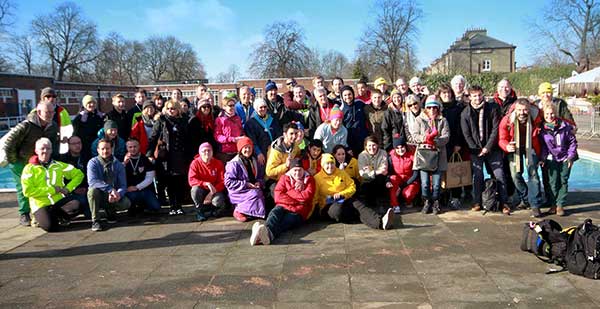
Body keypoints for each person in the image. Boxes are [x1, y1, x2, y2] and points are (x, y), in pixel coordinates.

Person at [4, 101, 58, 226]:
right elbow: (9, 144)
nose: (50, 114)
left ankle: (39, 212)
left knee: (41, 186)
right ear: (39, 112)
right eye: (47, 112)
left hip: (38, 162)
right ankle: (24, 214)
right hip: (20, 161)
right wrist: (14, 161)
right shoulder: (25, 126)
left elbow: (53, 144)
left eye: (52, 112)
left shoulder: (53, 126)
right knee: (23, 188)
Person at [461, 85, 510, 215]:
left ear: (483, 95)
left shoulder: (492, 109)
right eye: (475, 96)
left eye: (479, 95)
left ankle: (504, 202)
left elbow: (495, 129)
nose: (477, 98)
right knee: (477, 176)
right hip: (475, 150)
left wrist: (487, 147)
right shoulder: (465, 113)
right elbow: (466, 134)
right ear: (470, 97)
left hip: (492, 149)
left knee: (499, 174)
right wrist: (477, 149)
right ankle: (477, 201)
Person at [314, 154, 397, 230]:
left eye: (332, 163)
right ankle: (362, 216)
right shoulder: (317, 178)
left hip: (344, 199)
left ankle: (381, 222)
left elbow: (352, 186)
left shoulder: (341, 173)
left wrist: (342, 194)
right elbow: (314, 197)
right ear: (322, 165)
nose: (330, 166)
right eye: (327, 164)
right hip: (328, 205)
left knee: (358, 204)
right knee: (337, 212)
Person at [21, 137, 83, 232]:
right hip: (40, 204)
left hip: (58, 201)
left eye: (48, 148)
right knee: (51, 227)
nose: (45, 151)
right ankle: (44, 218)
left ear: (51, 150)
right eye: (42, 148)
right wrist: (52, 190)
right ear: (36, 151)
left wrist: (68, 188)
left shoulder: (59, 165)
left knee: (80, 204)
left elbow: (79, 174)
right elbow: (27, 191)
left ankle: (57, 217)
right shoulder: (29, 169)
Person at [250, 158, 316, 246]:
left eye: (300, 170)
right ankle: (264, 233)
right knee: (274, 213)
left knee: (286, 222)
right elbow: (277, 196)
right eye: (295, 170)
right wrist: (296, 199)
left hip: (299, 211)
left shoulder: (309, 180)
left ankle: (264, 234)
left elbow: (306, 197)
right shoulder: (284, 178)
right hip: (283, 206)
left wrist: (289, 192)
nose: (297, 173)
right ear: (290, 170)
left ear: (303, 170)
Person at [498, 99, 544, 217]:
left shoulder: (537, 117)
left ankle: (535, 205)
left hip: (532, 147)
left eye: (525, 110)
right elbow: (502, 138)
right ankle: (526, 198)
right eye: (519, 110)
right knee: (515, 175)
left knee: (533, 175)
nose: (522, 112)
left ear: (529, 109)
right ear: (515, 109)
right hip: (515, 147)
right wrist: (507, 146)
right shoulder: (507, 120)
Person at [147, 100, 189, 216]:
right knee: (169, 182)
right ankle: (172, 206)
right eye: (169, 108)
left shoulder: (183, 121)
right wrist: (149, 154)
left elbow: (187, 139)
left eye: (173, 109)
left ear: (177, 110)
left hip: (179, 155)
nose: (171, 111)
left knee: (179, 182)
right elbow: (153, 138)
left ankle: (179, 205)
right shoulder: (161, 121)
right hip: (166, 155)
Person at [539, 103, 578, 217]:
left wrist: (570, 157)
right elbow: (543, 146)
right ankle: (553, 204)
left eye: (552, 113)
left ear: (555, 114)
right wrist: (543, 158)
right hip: (551, 159)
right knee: (552, 182)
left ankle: (560, 204)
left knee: (563, 180)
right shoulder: (542, 129)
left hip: (565, 158)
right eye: (547, 114)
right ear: (543, 115)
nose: (550, 116)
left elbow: (572, 142)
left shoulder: (564, 126)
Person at [412, 96, 449, 215]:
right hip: (423, 156)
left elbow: (446, 136)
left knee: (437, 184)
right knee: (425, 183)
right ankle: (426, 202)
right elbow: (415, 135)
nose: (432, 109)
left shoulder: (443, 120)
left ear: (438, 108)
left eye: (434, 107)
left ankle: (436, 202)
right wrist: (425, 138)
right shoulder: (419, 120)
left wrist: (435, 141)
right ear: (425, 108)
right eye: (429, 107)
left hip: (438, 155)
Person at [87, 138, 131, 231]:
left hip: (112, 195)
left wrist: (118, 194)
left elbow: (123, 185)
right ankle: (96, 221)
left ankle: (110, 212)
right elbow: (92, 181)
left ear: (112, 149)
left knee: (126, 203)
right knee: (92, 191)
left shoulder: (118, 164)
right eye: (102, 149)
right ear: (98, 150)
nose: (105, 151)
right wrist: (110, 189)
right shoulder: (92, 163)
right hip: (99, 194)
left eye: (107, 148)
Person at [438, 84, 466, 209]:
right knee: (441, 171)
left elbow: (460, 128)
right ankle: (443, 195)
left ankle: (456, 196)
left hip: (454, 143)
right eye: (444, 93)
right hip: (441, 144)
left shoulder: (458, 108)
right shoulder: (437, 108)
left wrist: (458, 143)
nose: (447, 95)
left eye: (449, 93)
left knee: (455, 169)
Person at [224, 137, 266, 222]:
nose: (247, 150)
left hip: (251, 187)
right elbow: (228, 182)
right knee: (255, 194)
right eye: (245, 147)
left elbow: (260, 176)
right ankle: (238, 210)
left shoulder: (254, 160)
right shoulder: (234, 163)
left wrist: (259, 182)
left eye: (249, 147)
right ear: (240, 149)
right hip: (238, 191)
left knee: (261, 193)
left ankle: (250, 212)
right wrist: (245, 184)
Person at [188, 143, 228, 221]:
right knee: (194, 190)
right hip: (202, 189)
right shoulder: (195, 163)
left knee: (218, 201)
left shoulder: (218, 163)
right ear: (200, 153)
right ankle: (199, 211)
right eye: (204, 151)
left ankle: (214, 210)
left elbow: (223, 181)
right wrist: (205, 183)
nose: (207, 153)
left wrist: (211, 192)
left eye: (209, 150)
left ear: (212, 152)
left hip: (215, 190)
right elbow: (192, 180)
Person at [123, 138, 161, 216]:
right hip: (129, 190)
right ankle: (132, 207)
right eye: (130, 147)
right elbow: (117, 175)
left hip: (144, 189)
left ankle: (143, 207)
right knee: (132, 196)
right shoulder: (122, 160)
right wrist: (123, 164)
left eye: (135, 146)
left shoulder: (145, 159)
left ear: (139, 146)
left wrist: (137, 187)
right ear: (127, 148)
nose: (133, 149)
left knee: (156, 207)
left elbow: (150, 178)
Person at [59, 136, 91, 219]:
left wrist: (86, 188)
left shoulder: (87, 157)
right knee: (81, 202)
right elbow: (62, 179)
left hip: (87, 189)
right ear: (68, 145)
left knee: (89, 214)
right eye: (74, 144)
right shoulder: (63, 160)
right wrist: (73, 189)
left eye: (79, 143)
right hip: (71, 191)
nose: (77, 145)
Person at [386, 136, 419, 214]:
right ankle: (395, 205)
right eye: (397, 148)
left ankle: (409, 201)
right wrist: (388, 180)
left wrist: (401, 186)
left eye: (402, 147)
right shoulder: (391, 156)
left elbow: (415, 174)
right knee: (392, 179)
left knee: (408, 194)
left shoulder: (412, 155)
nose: (400, 150)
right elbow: (389, 172)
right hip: (398, 179)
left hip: (410, 180)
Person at [246, 98, 282, 167]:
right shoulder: (251, 123)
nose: (263, 109)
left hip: (273, 150)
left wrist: (276, 147)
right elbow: (252, 140)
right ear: (256, 109)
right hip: (261, 152)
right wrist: (258, 153)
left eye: (265, 107)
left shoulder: (272, 120)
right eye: (260, 107)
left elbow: (279, 135)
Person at [358, 136, 388, 207]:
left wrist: (371, 172)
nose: (372, 148)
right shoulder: (362, 155)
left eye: (374, 145)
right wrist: (375, 172)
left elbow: (384, 169)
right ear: (366, 146)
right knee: (367, 183)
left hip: (380, 179)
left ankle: (382, 204)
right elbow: (362, 173)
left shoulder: (383, 153)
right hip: (368, 180)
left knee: (380, 178)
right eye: (369, 146)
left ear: (377, 145)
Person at [214, 91, 244, 162]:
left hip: (237, 151)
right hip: (225, 152)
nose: (232, 107)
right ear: (224, 107)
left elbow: (241, 131)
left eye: (233, 105)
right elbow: (218, 136)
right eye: (230, 106)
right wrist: (232, 139)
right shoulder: (220, 120)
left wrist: (242, 137)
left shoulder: (238, 118)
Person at [73, 94, 105, 160]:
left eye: (93, 102)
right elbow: (76, 133)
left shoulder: (100, 116)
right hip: (86, 146)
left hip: (99, 145)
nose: (92, 105)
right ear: (85, 105)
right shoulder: (80, 118)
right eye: (89, 103)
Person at [187, 96, 218, 162]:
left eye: (208, 107)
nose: (206, 108)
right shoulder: (194, 121)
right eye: (204, 107)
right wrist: (195, 154)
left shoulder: (213, 119)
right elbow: (191, 140)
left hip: (211, 151)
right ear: (200, 108)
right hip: (198, 152)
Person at [339, 85, 368, 156]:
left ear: (353, 94)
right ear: (342, 97)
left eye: (349, 94)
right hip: (349, 139)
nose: (348, 97)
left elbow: (370, 109)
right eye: (345, 95)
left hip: (362, 137)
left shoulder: (360, 103)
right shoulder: (341, 109)